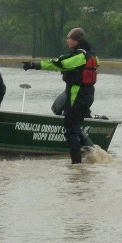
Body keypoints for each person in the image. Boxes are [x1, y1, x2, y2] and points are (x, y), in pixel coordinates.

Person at [23, 27, 98, 164]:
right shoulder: (91, 55)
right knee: (76, 127)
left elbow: (59, 64)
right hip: (87, 95)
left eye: (69, 38)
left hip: (77, 94)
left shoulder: (79, 56)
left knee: (70, 130)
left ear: (76, 40)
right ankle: (93, 154)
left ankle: (76, 165)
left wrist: (35, 65)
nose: (67, 40)